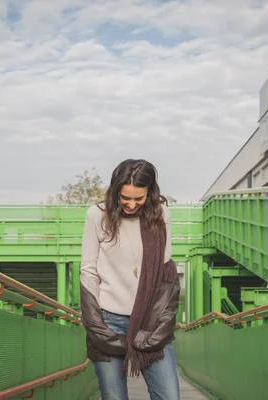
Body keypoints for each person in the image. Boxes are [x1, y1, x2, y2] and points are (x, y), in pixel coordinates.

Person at [79, 159, 181, 400]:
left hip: (150, 322)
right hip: (108, 321)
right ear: (115, 190)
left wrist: (160, 326)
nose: (131, 204)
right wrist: (96, 325)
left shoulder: (160, 215)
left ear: (150, 192)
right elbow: (89, 270)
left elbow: (166, 273)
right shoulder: (97, 216)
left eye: (139, 198)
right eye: (125, 197)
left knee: (169, 396)